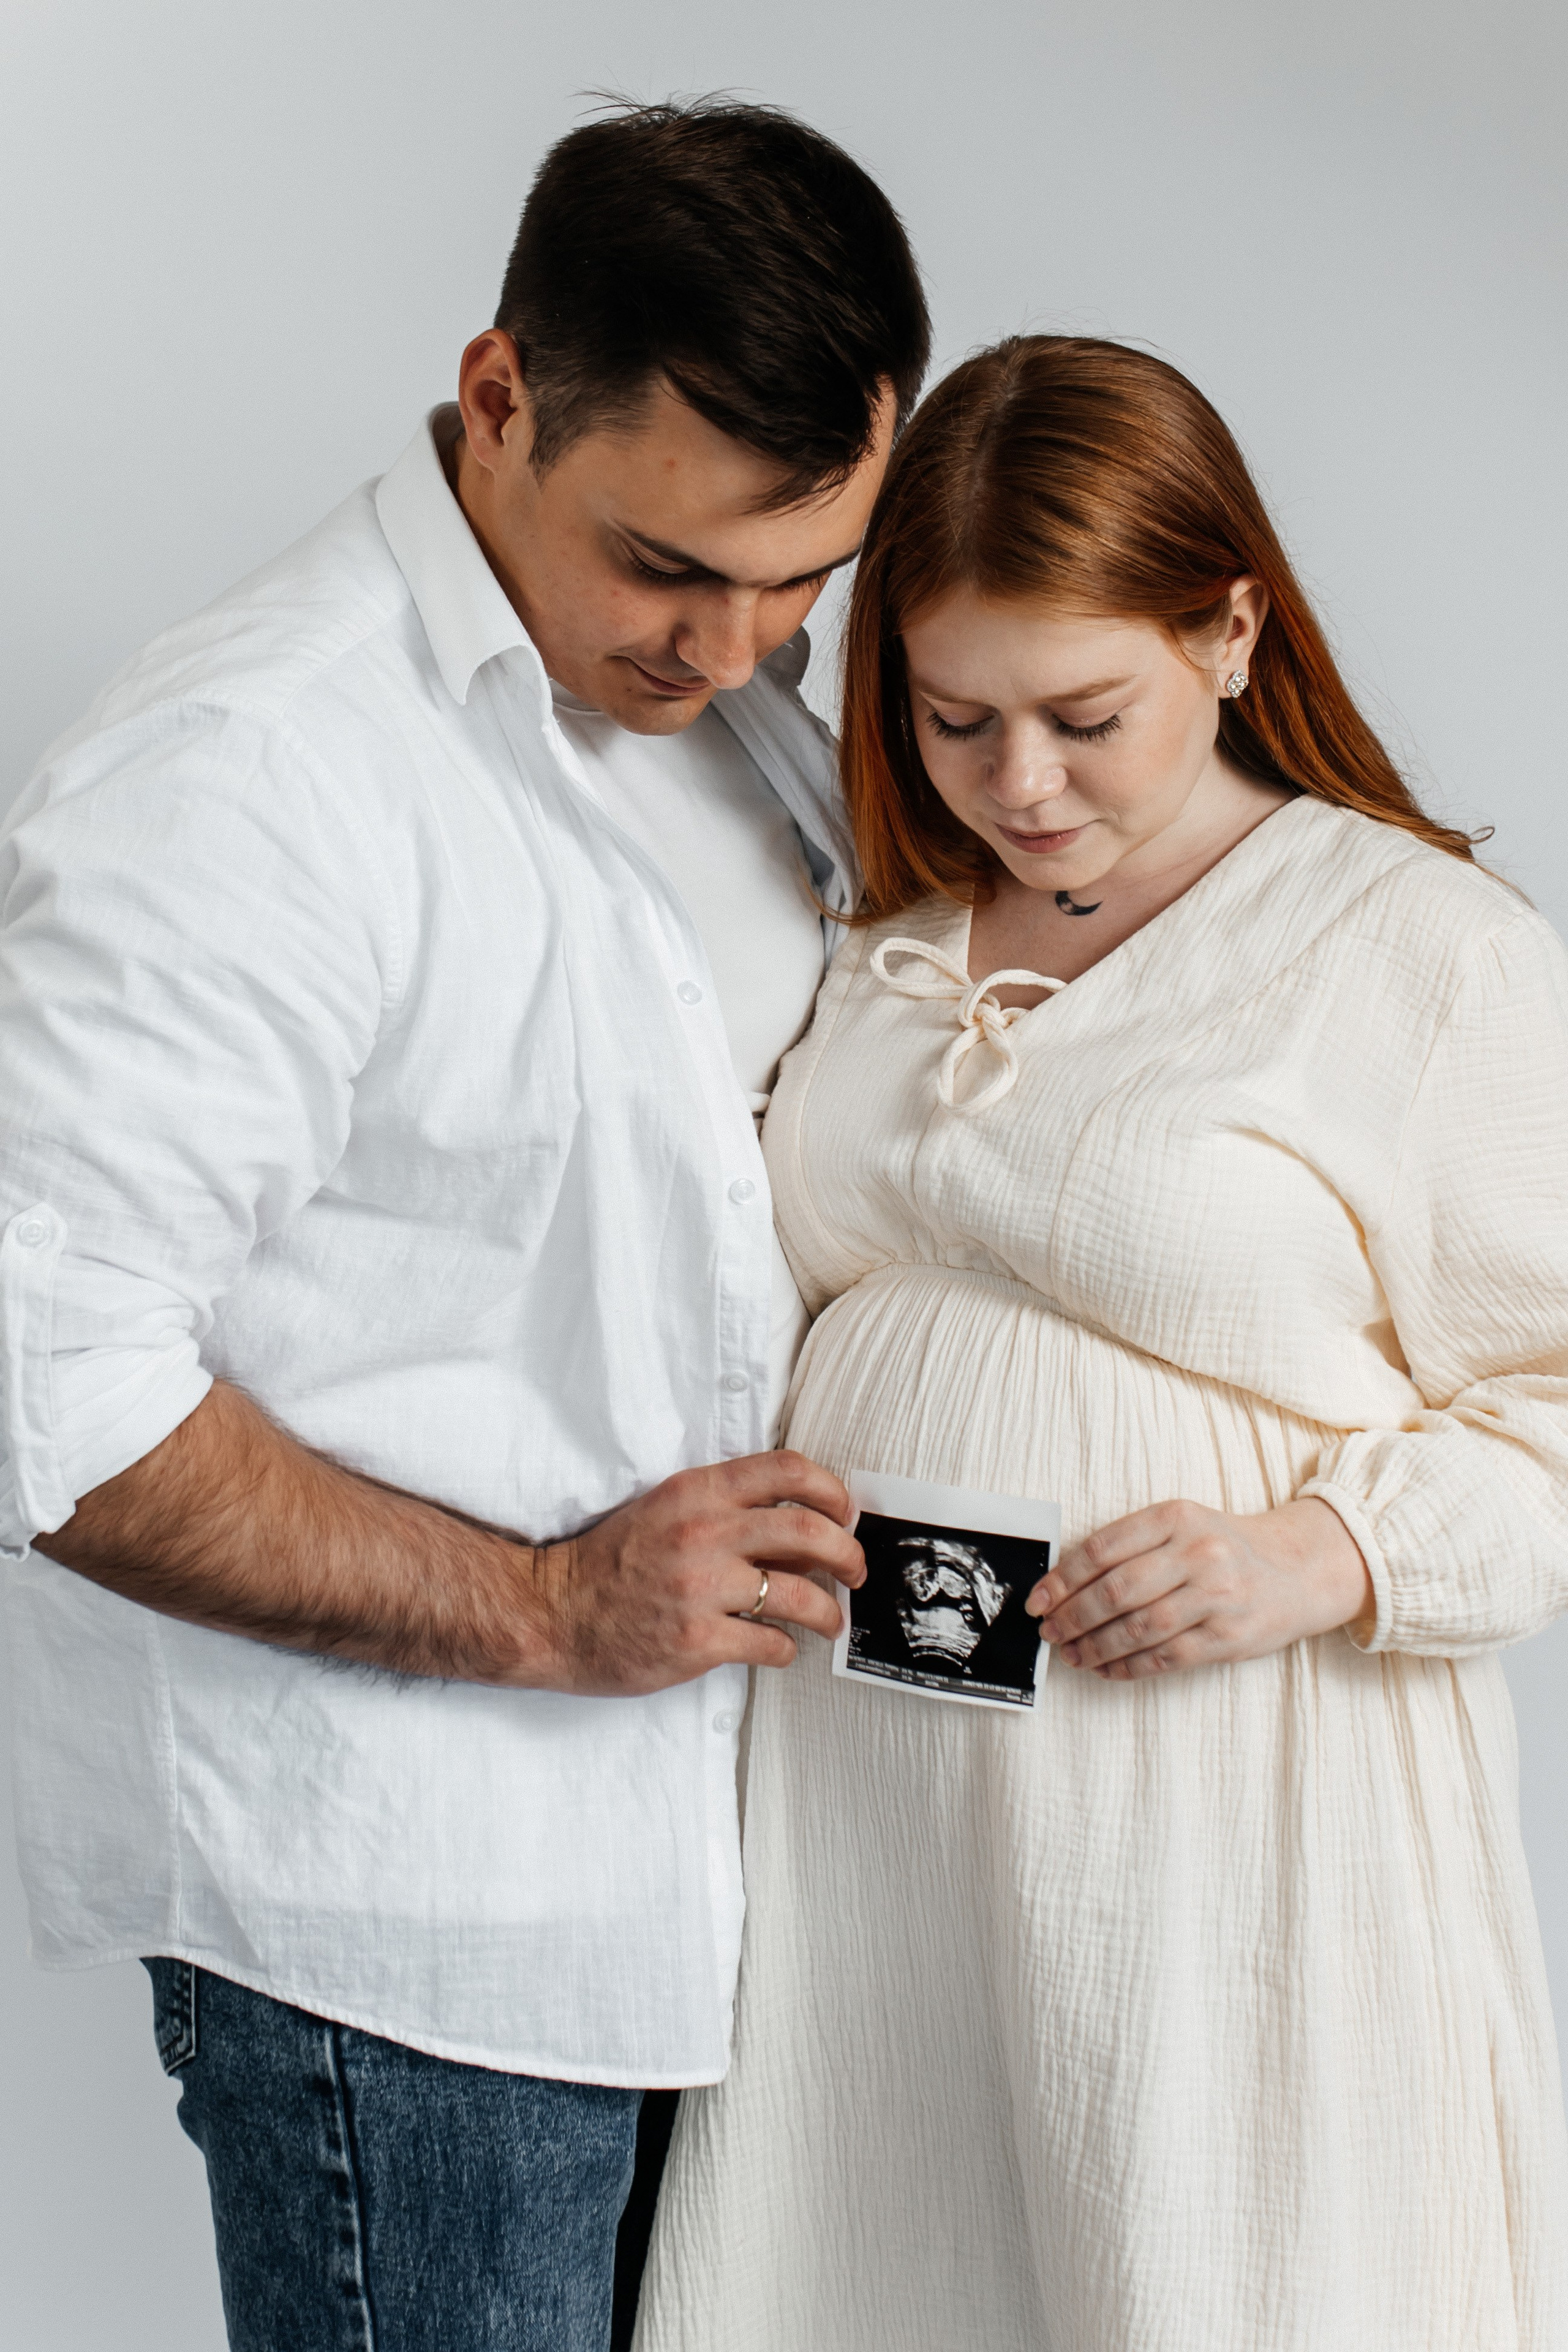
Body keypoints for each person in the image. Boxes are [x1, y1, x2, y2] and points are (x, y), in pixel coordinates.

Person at [0, 99, 932, 2351]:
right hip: (412, 1932)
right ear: (498, 395)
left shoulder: (750, 715)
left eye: (801, 569)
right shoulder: (253, 775)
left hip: (712, 1895)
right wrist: (539, 1607)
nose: (736, 641)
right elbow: (51, 1392)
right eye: (669, 567)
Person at [636, 336, 1568, 2350]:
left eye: (1085, 716)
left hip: (1222, 1815)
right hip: (872, 1829)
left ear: (1231, 629)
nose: (1022, 784)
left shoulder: (1413, 952)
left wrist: (1323, 1556)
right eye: (956, 718)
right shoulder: (886, 935)